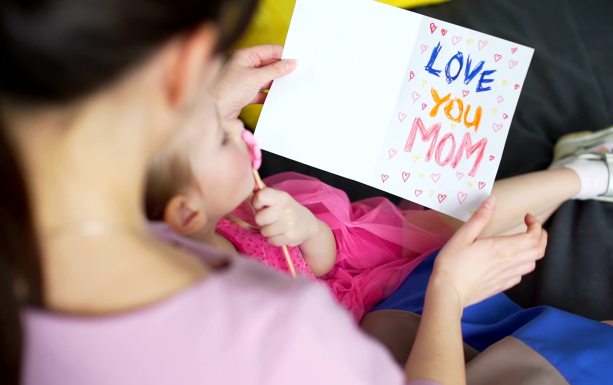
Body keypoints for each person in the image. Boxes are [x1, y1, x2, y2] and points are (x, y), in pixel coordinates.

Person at [0, 1, 548, 385]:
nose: (241, 134)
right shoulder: (278, 327)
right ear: (184, 63)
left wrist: (205, 108)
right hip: (400, 313)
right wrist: (448, 293)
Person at [145, 104, 613, 321]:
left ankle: (587, 175)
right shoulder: (200, 301)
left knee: (456, 219)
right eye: (222, 141)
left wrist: (304, 226)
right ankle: (580, 172)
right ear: (187, 211)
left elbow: (326, 260)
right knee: (466, 244)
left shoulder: (237, 208)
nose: (242, 135)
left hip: (343, 255)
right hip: (361, 317)